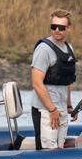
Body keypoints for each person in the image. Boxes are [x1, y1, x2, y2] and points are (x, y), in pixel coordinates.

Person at [30, 9, 78, 150]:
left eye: (61, 28)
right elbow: (37, 84)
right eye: (53, 27)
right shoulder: (44, 49)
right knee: (49, 150)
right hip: (45, 110)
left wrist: (69, 106)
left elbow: (66, 81)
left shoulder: (69, 49)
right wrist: (52, 110)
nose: (57, 30)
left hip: (61, 108)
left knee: (60, 148)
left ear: (68, 29)